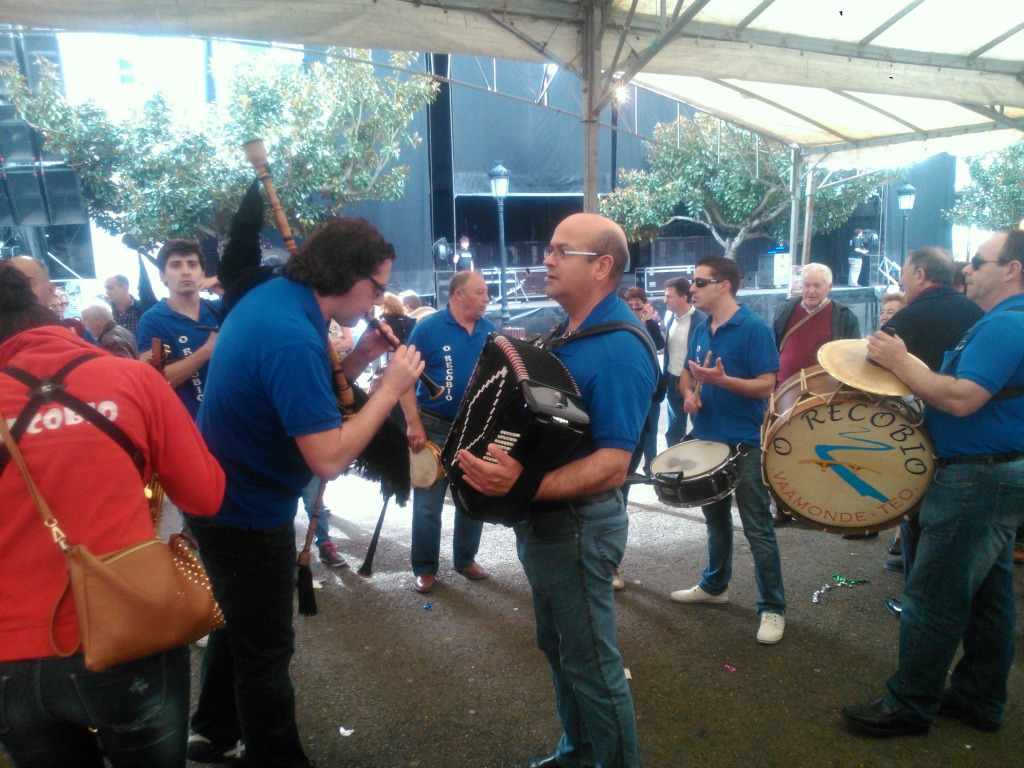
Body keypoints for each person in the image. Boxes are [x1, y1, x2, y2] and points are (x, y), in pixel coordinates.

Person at [185, 216, 422, 768]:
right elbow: (330, 457)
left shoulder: (279, 296)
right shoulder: (291, 333)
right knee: (266, 650)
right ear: (344, 276)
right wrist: (388, 389)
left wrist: (360, 360)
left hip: (223, 496)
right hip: (243, 511)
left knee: (239, 622)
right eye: (376, 287)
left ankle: (213, 731)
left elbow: (307, 389)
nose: (379, 300)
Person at [0, 261, 225, 768]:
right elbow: (206, 497)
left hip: (7, 653)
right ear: (45, 314)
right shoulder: (133, 380)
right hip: (129, 630)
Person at [456, 213, 655, 768]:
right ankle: (578, 755)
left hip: (578, 527)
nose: (547, 259)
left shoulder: (617, 349)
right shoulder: (566, 332)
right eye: (549, 248)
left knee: (591, 664)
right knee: (562, 650)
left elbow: (615, 464)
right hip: (550, 524)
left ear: (602, 267)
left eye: (561, 251)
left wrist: (523, 483)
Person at [841, 228, 1024, 738]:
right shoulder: (999, 322)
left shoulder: (1006, 325)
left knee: (933, 599)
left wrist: (901, 362)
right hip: (995, 472)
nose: (967, 269)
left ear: (1012, 269)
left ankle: (909, 705)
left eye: (979, 261)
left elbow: (963, 399)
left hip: (977, 479)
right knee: (989, 599)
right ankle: (978, 698)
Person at [671, 255, 787, 645]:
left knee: (757, 527)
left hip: (743, 443)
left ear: (725, 285)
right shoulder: (702, 327)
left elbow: (766, 385)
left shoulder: (753, 327)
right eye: (693, 282)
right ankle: (715, 585)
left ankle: (773, 607)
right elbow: (687, 375)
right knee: (716, 520)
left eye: (700, 282)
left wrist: (724, 381)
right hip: (706, 439)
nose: (693, 289)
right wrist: (689, 395)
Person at [878, 247, 984, 616]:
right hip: (977, 440)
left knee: (917, 519)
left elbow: (870, 370)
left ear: (921, 275)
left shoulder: (911, 315)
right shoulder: (977, 313)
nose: (901, 281)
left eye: (904, 273)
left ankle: (917, 602)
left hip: (925, 436)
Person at [400, 271, 496, 594]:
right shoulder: (428, 328)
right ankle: (425, 568)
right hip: (433, 428)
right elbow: (404, 379)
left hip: (475, 429)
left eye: (486, 293)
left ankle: (465, 559)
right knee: (428, 504)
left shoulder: (490, 332)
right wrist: (413, 423)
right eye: (480, 292)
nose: (487, 298)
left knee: (473, 498)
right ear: (458, 294)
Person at [770, 262, 859, 526]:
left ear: (829, 287)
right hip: (785, 390)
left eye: (817, 285)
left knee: (825, 451)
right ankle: (783, 506)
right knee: (785, 448)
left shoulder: (844, 316)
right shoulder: (786, 309)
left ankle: (820, 506)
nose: (810, 290)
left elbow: (851, 359)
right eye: (806, 285)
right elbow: (774, 345)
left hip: (825, 394)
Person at [136, 240, 221, 420]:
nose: (185, 271)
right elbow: (153, 381)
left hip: (233, 424)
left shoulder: (221, 308)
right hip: (188, 429)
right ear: (162, 275)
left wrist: (227, 291)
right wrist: (206, 351)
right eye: (176, 265)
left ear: (202, 273)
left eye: (192, 264)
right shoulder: (153, 321)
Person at [299, 320, 356, 569]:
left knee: (313, 498)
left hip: (313, 427)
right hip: (283, 433)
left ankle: (324, 543)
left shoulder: (319, 344)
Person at [623, 285, 664, 477]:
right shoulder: (622, 322)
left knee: (651, 430)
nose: (633, 310)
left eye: (637, 306)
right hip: (632, 386)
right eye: (629, 306)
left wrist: (648, 321)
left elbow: (659, 344)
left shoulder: (651, 322)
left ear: (646, 306)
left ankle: (650, 467)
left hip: (651, 386)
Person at [662, 276, 706, 447]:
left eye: (669, 296)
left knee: (701, 426)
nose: (665, 300)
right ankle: (673, 465)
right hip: (673, 380)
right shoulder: (671, 319)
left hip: (694, 384)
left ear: (684, 298)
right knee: (673, 430)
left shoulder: (700, 321)